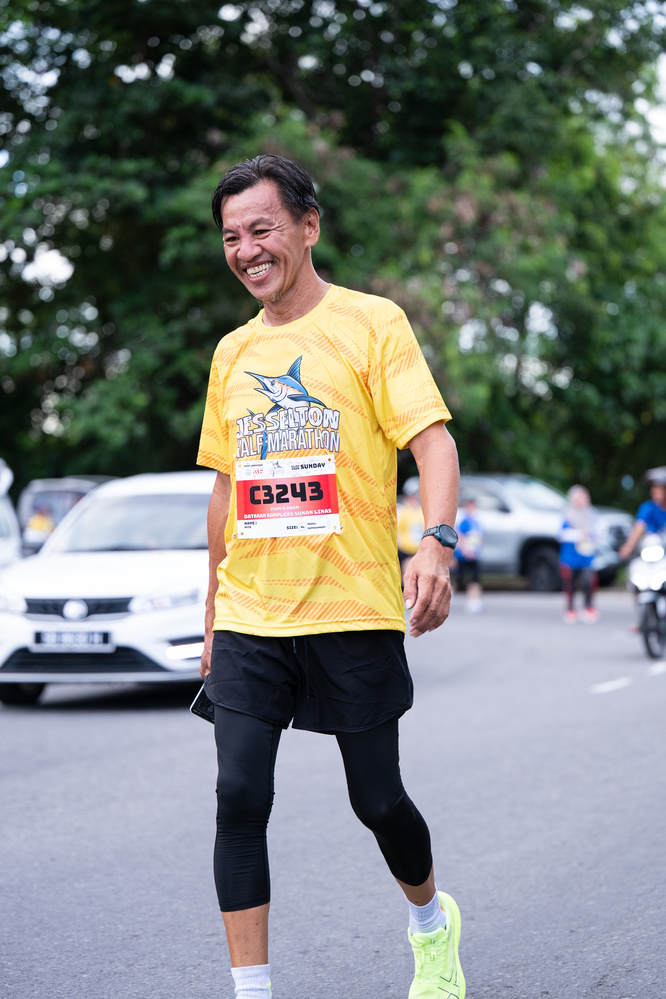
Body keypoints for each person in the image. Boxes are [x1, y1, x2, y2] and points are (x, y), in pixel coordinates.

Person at [197, 154, 463, 999]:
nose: (246, 250)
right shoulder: (233, 353)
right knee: (239, 794)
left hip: (352, 605)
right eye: (231, 237)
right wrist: (211, 613)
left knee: (377, 800)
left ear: (309, 226)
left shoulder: (372, 324)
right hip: (253, 610)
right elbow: (227, 488)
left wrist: (437, 541)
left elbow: (432, 442)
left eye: (262, 229)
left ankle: (431, 922)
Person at [559, 485, 599, 624]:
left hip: (587, 555)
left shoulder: (591, 514)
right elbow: (561, 534)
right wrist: (578, 534)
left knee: (589, 581)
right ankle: (570, 609)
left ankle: (589, 607)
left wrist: (591, 536)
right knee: (570, 584)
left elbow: (597, 532)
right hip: (570, 556)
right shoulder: (567, 514)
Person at [619, 467, 666, 560]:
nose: (654, 490)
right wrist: (629, 546)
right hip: (651, 550)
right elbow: (639, 527)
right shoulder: (648, 507)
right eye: (653, 487)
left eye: (658, 487)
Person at [454, 497, 484, 613]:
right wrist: (465, 550)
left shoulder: (477, 522)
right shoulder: (464, 521)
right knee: (459, 579)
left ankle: (474, 601)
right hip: (463, 555)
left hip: (475, 555)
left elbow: (479, 538)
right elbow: (459, 536)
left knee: (475, 579)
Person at [396, 476, 425, 582]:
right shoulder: (401, 510)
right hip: (404, 550)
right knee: (407, 576)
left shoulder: (421, 511)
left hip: (419, 551)